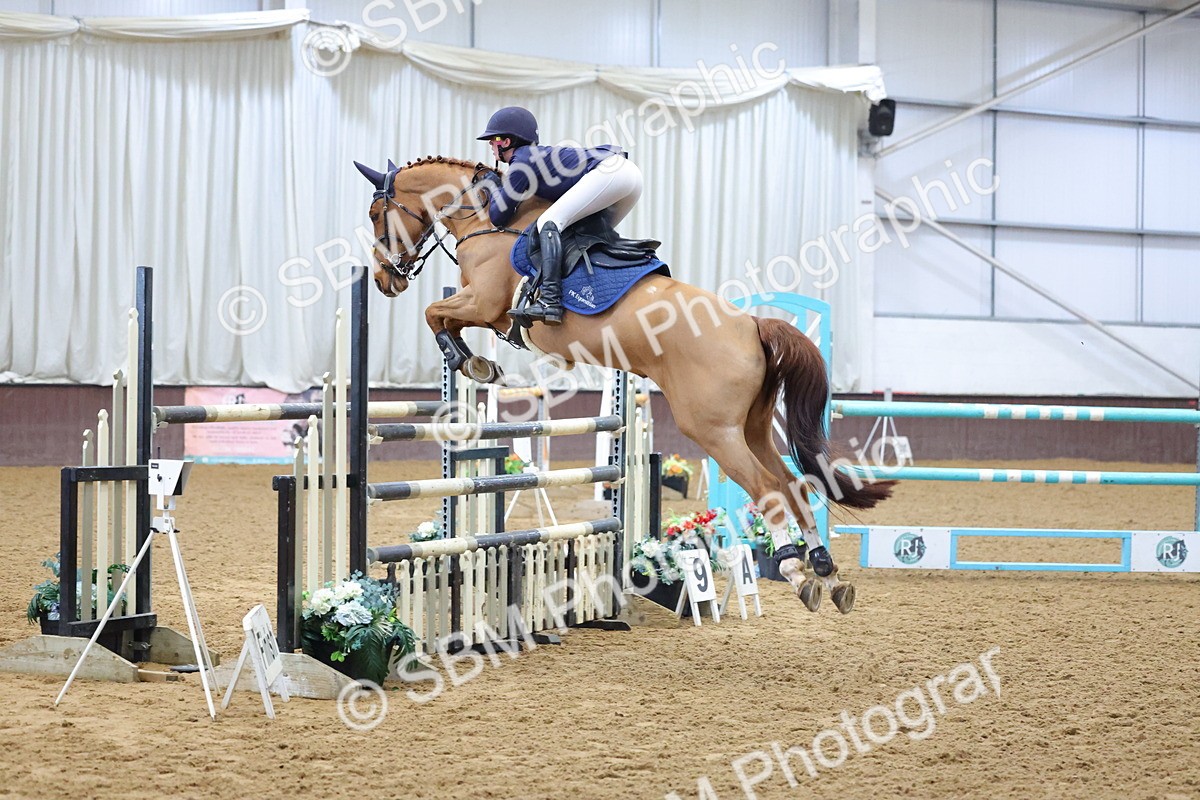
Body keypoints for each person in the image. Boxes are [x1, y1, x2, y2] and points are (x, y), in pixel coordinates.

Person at [477, 106, 643, 326]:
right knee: (581, 236)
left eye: (492, 141)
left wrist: (493, 186)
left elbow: (498, 216)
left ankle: (550, 300)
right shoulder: (534, 157)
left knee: (549, 222)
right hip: (629, 178)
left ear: (505, 142)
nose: (490, 146)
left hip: (612, 174)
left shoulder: (522, 159)